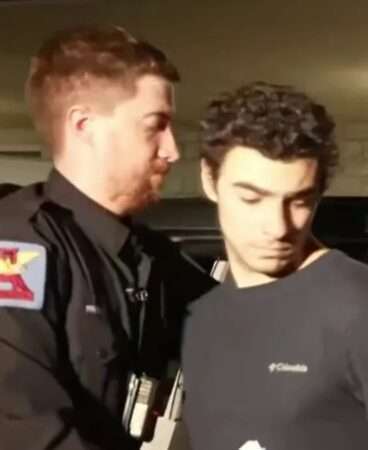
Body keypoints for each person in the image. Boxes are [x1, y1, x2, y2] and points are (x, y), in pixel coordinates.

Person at [181, 82, 368, 450]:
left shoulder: (363, 312)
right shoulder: (203, 316)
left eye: (299, 201)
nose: (278, 227)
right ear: (209, 180)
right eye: (251, 198)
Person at [0, 25, 216, 449]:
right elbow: (25, 427)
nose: (172, 150)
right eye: (155, 126)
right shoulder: (17, 249)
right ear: (84, 125)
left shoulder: (148, 255)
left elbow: (245, 322)